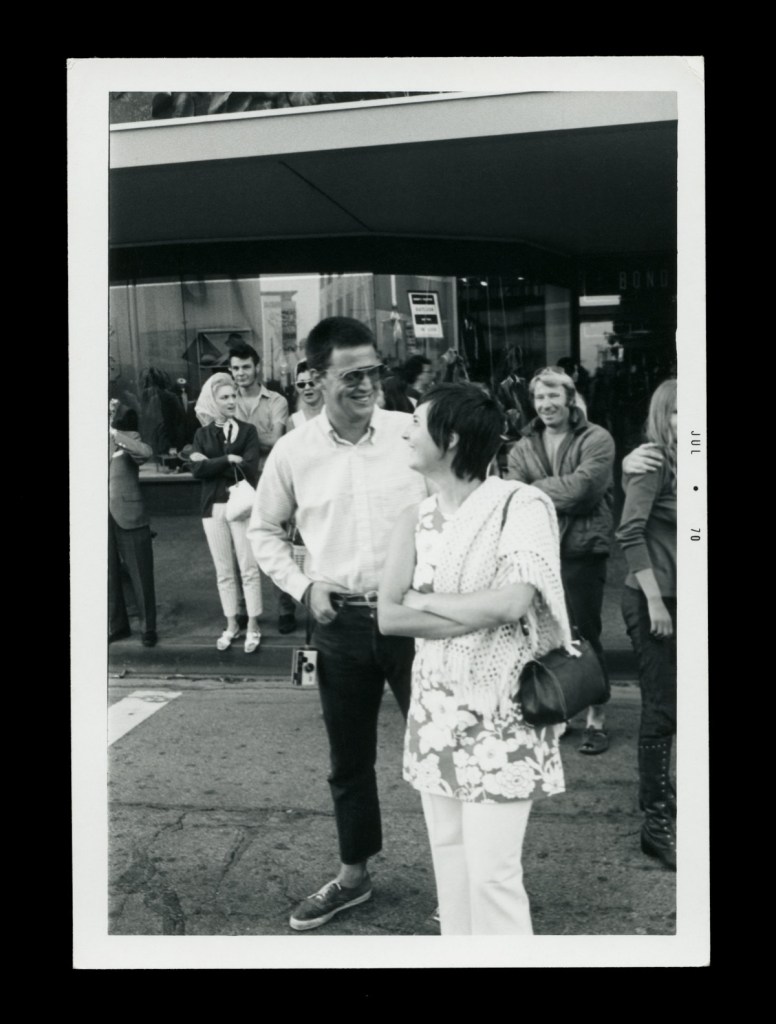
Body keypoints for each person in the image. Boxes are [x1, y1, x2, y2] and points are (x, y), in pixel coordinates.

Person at [248, 316, 429, 932]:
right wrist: (304, 586)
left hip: (416, 619)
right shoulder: (294, 451)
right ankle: (354, 877)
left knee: (443, 752)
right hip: (340, 625)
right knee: (348, 761)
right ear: (316, 378)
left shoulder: (411, 432)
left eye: (373, 371)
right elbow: (263, 530)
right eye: (351, 375)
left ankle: (461, 884)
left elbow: (457, 503)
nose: (367, 385)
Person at [378, 383, 574, 934]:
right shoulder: (413, 519)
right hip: (435, 711)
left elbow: (512, 602)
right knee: (451, 866)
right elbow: (389, 617)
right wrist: (472, 612)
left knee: (492, 874)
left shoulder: (520, 505)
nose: (406, 433)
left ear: (451, 438)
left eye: (416, 422)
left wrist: (425, 602)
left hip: (502, 712)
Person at [505, 366, 615, 754]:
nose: (546, 404)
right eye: (540, 397)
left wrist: (534, 490)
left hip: (582, 549)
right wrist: (539, 493)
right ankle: (562, 709)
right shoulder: (523, 445)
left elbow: (585, 490)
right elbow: (513, 494)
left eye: (554, 396)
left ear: (570, 400)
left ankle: (597, 718)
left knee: (585, 632)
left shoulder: (596, 438)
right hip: (539, 549)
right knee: (548, 633)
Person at [615, 379, 677, 871]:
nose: (687, 419)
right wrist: (655, 602)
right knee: (660, 707)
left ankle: (666, 799)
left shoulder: (688, 462)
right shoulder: (652, 462)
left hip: (683, 598)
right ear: (662, 415)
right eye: (677, 411)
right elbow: (629, 532)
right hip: (652, 599)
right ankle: (655, 822)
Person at [190, 374, 263, 654]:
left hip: (241, 505)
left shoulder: (248, 431)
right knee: (224, 570)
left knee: (248, 566)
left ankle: (253, 623)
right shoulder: (202, 434)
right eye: (224, 397)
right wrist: (228, 460)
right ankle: (232, 623)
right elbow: (196, 469)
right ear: (213, 401)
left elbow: (250, 468)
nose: (231, 401)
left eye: (234, 396)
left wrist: (212, 463)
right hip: (213, 507)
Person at [227, 341, 290, 633]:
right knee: (239, 548)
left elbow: (277, 440)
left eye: (245, 367)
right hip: (238, 483)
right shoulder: (226, 399)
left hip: (270, 480)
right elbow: (224, 443)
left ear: (257, 368)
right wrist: (255, 437)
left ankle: (285, 608)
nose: (240, 373)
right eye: (235, 368)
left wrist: (242, 435)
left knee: (276, 544)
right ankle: (243, 608)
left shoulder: (276, 401)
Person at [109, 402, 158, 647]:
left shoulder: (128, 436)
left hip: (129, 511)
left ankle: (148, 628)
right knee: (107, 573)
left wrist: (114, 434)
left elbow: (145, 453)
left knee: (140, 571)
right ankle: (117, 625)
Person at [287, 360, 324, 428]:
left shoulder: (334, 416)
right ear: (296, 388)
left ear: (321, 383)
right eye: (301, 384)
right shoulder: (293, 421)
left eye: (312, 383)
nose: (307, 388)